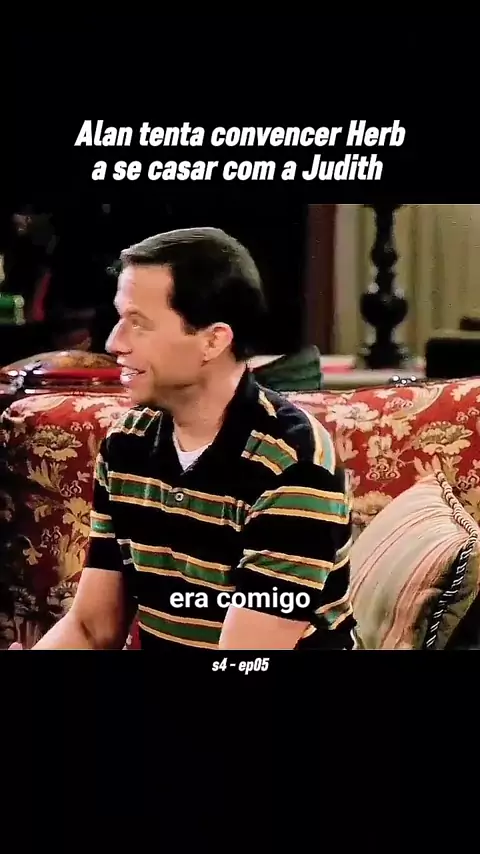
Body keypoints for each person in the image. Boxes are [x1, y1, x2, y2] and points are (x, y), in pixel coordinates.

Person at [11, 227, 356, 650]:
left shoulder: (292, 464)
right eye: (119, 318)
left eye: (138, 323)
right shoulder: (128, 443)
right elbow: (90, 629)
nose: (114, 342)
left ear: (213, 340)